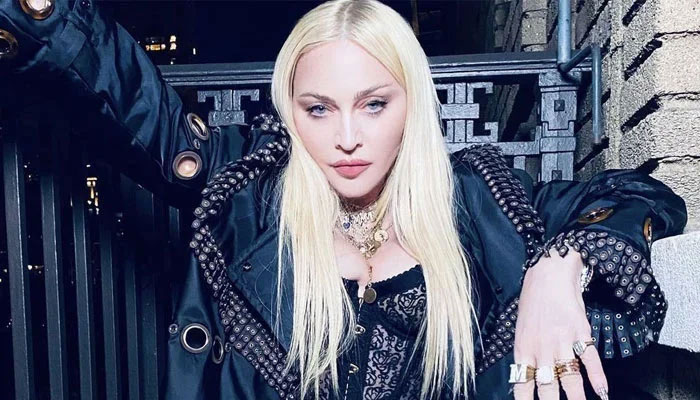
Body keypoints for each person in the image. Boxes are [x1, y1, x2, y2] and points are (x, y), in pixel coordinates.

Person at [0, 0, 688, 399]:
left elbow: (640, 196)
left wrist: (558, 269)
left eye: (374, 103)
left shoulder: (481, 201)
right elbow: (130, 100)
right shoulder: (250, 195)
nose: (348, 138)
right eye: (319, 108)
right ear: (292, 112)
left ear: (410, 104)